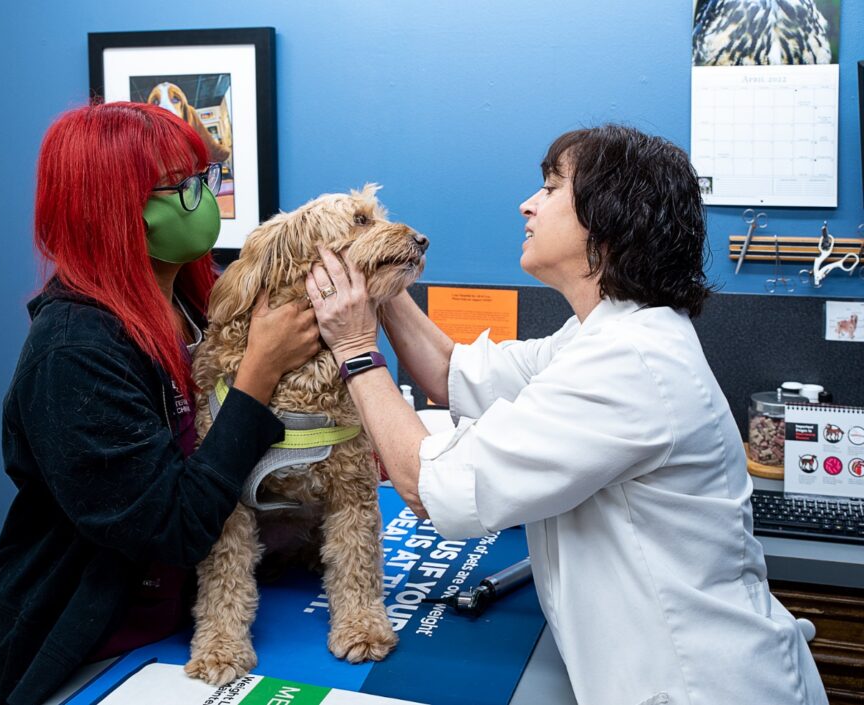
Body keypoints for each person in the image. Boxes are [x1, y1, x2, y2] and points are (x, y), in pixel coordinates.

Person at [307, 125, 828, 705]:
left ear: (606, 221)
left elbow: (430, 486)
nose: (527, 204)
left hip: (701, 685)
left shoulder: (629, 363)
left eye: (551, 188)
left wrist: (355, 349)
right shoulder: (604, 334)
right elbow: (449, 371)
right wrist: (377, 276)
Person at [0, 102, 319, 705]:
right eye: (187, 186)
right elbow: (173, 527)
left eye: (209, 180)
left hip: (172, 626)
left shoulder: (197, 304)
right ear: (119, 211)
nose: (207, 200)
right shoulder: (73, 354)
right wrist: (258, 373)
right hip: (74, 649)